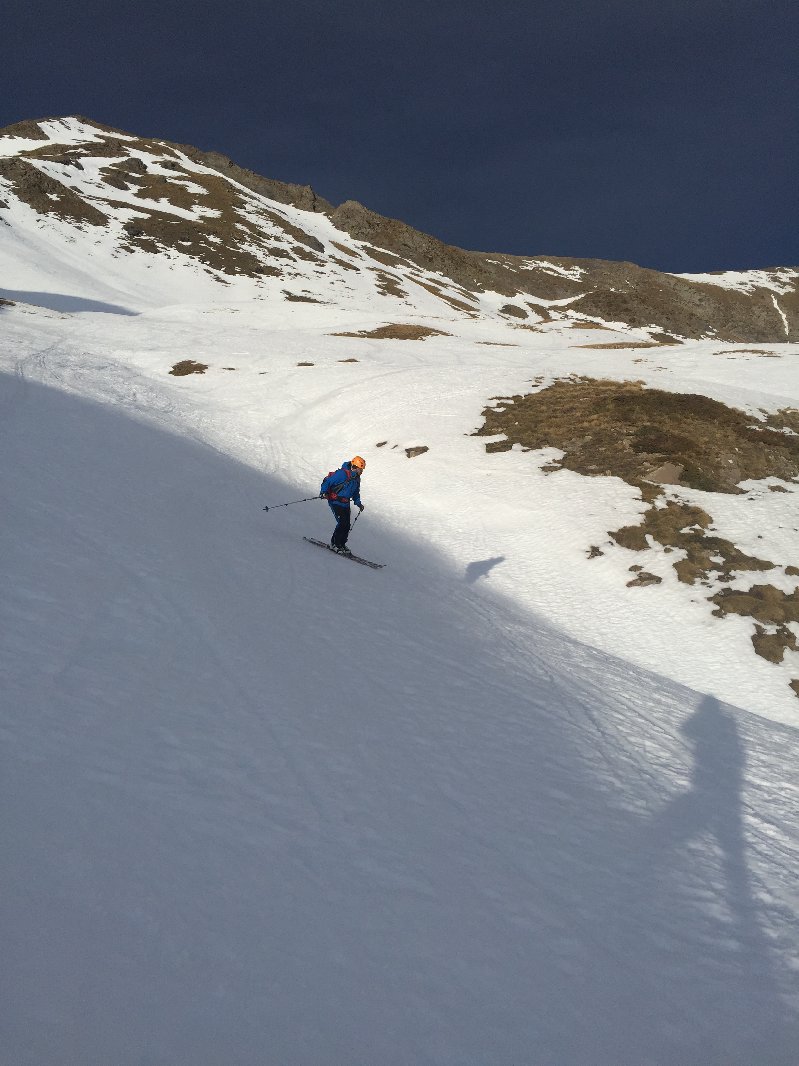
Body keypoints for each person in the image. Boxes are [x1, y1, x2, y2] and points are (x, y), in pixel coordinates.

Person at [320, 455, 366, 554]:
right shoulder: (342, 474)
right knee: (342, 523)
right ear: (355, 467)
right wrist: (323, 492)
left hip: (345, 503)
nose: (362, 472)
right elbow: (328, 482)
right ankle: (334, 544)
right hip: (335, 501)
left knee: (347, 525)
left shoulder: (357, 479)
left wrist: (358, 503)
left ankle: (341, 544)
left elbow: (355, 492)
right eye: (361, 469)